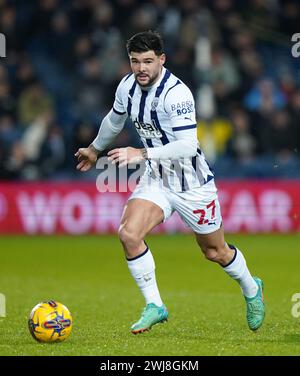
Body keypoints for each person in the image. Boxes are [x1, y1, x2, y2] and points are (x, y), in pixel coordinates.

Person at [75, 30, 265, 334]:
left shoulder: (177, 94)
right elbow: (113, 120)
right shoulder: (127, 86)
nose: (141, 68)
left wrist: (141, 152)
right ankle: (155, 305)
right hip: (157, 179)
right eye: (135, 61)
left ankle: (251, 288)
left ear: (161, 60)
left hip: (191, 183)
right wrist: (94, 149)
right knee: (128, 234)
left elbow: (189, 146)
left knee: (215, 252)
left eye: (148, 61)